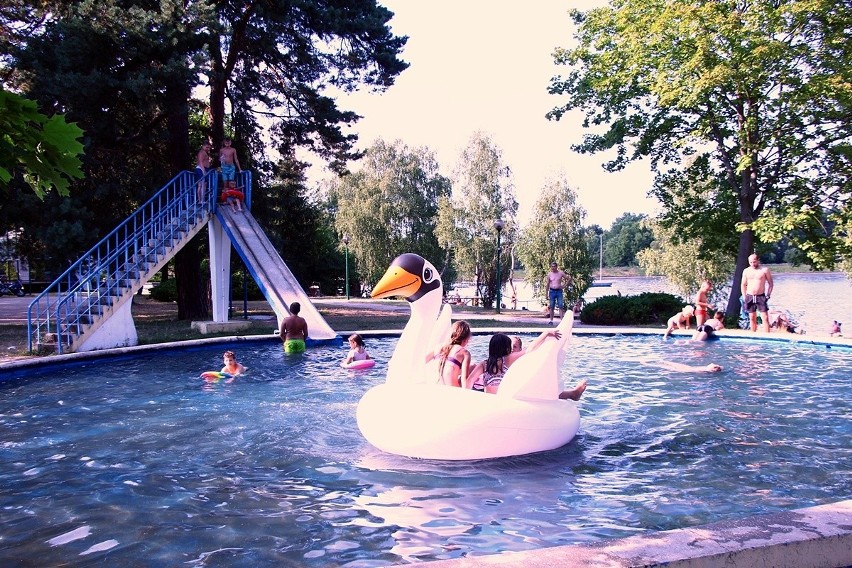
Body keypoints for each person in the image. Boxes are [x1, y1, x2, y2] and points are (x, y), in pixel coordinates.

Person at [466, 331, 587, 400]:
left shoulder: (484, 364)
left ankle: (572, 393)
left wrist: (465, 397)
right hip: (506, 401)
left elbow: (470, 380)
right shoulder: (507, 359)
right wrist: (545, 334)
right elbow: (530, 349)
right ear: (506, 348)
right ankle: (572, 394)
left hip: (490, 401)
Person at [426, 320, 472, 388]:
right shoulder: (465, 353)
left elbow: (421, 362)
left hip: (434, 389)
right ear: (466, 338)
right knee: (473, 367)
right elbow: (464, 382)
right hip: (452, 392)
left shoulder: (438, 347)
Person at [741, 253, 774, 332]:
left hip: (761, 296)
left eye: (754, 262)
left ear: (758, 261)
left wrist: (768, 295)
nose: (753, 264)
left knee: (765, 317)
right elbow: (743, 284)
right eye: (751, 262)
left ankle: (767, 336)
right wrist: (744, 296)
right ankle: (753, 334)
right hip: (750, 296)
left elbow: (771, 284)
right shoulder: (746, 271)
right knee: (752, 317)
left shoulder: (764, 270)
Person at [642, 358, 723, 373]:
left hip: (689, 369)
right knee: (671, 365)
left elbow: (714, 366)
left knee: (666, 366)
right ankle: (661, 361)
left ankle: (648, 363)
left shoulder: (708, 368)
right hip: (688, 369)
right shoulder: (708, 369)